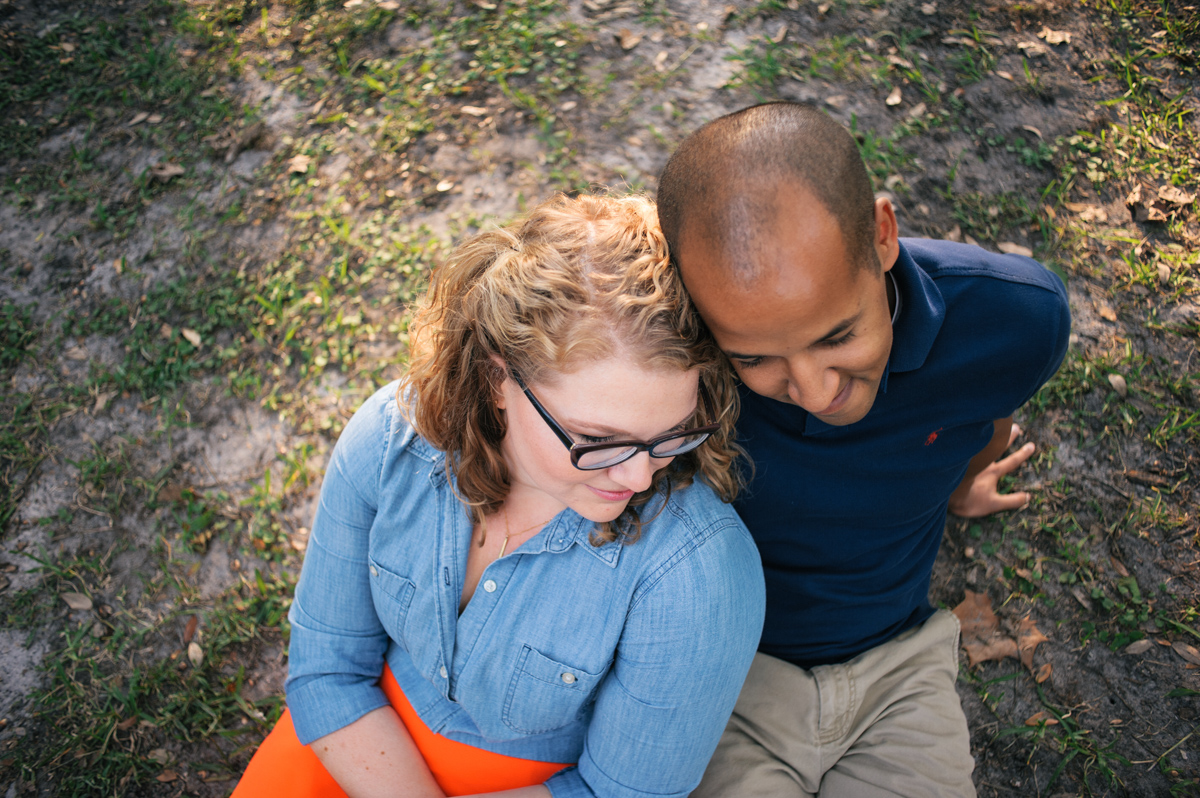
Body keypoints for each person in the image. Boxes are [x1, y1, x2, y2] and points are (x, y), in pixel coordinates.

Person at [230, 193, 765, 798]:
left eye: (671, 434)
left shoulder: (696, 572)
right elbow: (327, 670)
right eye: (597, 440)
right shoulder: (391, 443)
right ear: (496, 378)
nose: (640, 478)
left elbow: (620, 793)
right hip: (358, 740)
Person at [655, 102, 1071, 797]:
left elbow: (989, 405)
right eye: (756, 359)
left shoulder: (1015, 320)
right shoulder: (673, 365)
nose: (815, 391)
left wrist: (964, 484)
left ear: (882, 236)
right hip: (721, 675)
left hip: (898, 672)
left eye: (837, 337)